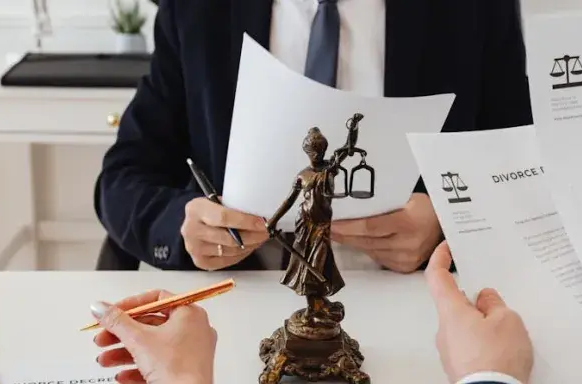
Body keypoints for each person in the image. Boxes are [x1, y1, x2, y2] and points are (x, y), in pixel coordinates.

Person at [94, 0, 533, 272]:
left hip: (417, 305)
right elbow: (121, 179)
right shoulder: (197, 10)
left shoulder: (477, 9)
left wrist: (448, 226)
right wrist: (183, 226)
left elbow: (524, 167)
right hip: (241, 301)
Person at [89, 241, 534, 384]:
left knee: (317, 281)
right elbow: (129, 170)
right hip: (275, 258)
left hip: (388, 280)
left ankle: (319, 307)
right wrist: (489, 377)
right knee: (310, 281)